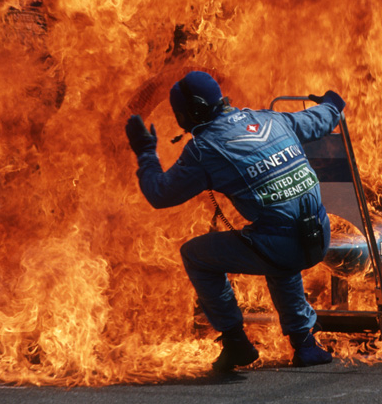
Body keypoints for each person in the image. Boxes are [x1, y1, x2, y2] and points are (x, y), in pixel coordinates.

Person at [124, 70, 346, 372]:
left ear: (195, 111)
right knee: (274, 231)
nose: (179, 121)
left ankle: (235, 341)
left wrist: (146, 152)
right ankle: (305, 345)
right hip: (320, 235)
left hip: (284, 246)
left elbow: (160, 194)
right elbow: (324, 117)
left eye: (179, 114)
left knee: (196, 255)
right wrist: (332, 102)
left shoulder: (205, 150)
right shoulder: (270, 119)